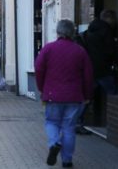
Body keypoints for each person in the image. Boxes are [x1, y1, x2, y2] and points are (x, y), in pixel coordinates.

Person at [35, 19, 93, 168]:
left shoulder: (48, 49)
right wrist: (87, 95)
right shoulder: (80, 51)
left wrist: (42, 89)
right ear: (73, 32)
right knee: (69, 127)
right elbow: (88, 75)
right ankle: (67, 161)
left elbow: (39, 69)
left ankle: (54, 143)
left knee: (52, 122)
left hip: (52, 95)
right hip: (74, 96)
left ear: (58, 32)